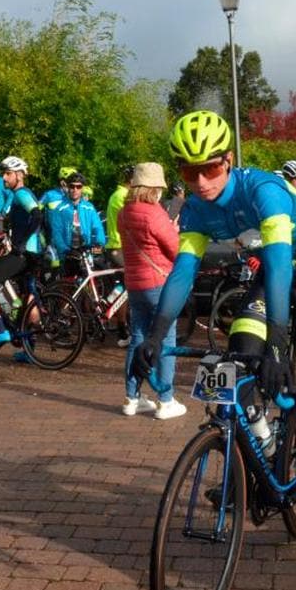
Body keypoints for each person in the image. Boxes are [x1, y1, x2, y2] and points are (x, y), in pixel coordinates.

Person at [133, 110, 296, 550]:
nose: (202, 181)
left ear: (227, 160)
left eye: (210, 167)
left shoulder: (262, 189)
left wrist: (280, 348)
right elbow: (183, 273)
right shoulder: (195, 208)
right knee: (237, 361)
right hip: (273, 280)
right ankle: (261, 456)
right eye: (190, 171)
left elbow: (281, 265)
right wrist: (154, 336)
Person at [118, 162, 181, 419]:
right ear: (153, 188)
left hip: (134, 284)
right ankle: (165, 400)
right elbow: (174, 249)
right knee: (166, 339)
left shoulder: (124, 212)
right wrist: (174, 229)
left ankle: (132, 398)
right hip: (159, 282)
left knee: (137, 339)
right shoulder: (154, 213)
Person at [0, 156, 42, 358]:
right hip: (33, 253)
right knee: (28, 298)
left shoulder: (21, 194)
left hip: (23, 253)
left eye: (8, 173)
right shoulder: (20, 194)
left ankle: (1, 331)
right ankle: (29, 350)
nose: (4, 177)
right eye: (4, 173)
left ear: (19, 175)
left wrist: (21, 243)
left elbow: (37, 215)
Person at [46, 171, 106, 260]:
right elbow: (56, 233)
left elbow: (97, 228)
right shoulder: (59, 209)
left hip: (86, 252)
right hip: (67, 254)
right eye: (72, 186)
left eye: (78, 187)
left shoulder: (89, 207)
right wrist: (65, 250)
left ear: (82, 188)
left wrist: (99, 243)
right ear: (67, 187)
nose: (75, 189)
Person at [103, 165, 133, 267]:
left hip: (122, 245)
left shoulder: (123, 194)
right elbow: (134, 218)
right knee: (135, 276)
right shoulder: (123, 195)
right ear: (132, 180)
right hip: (118, 245)